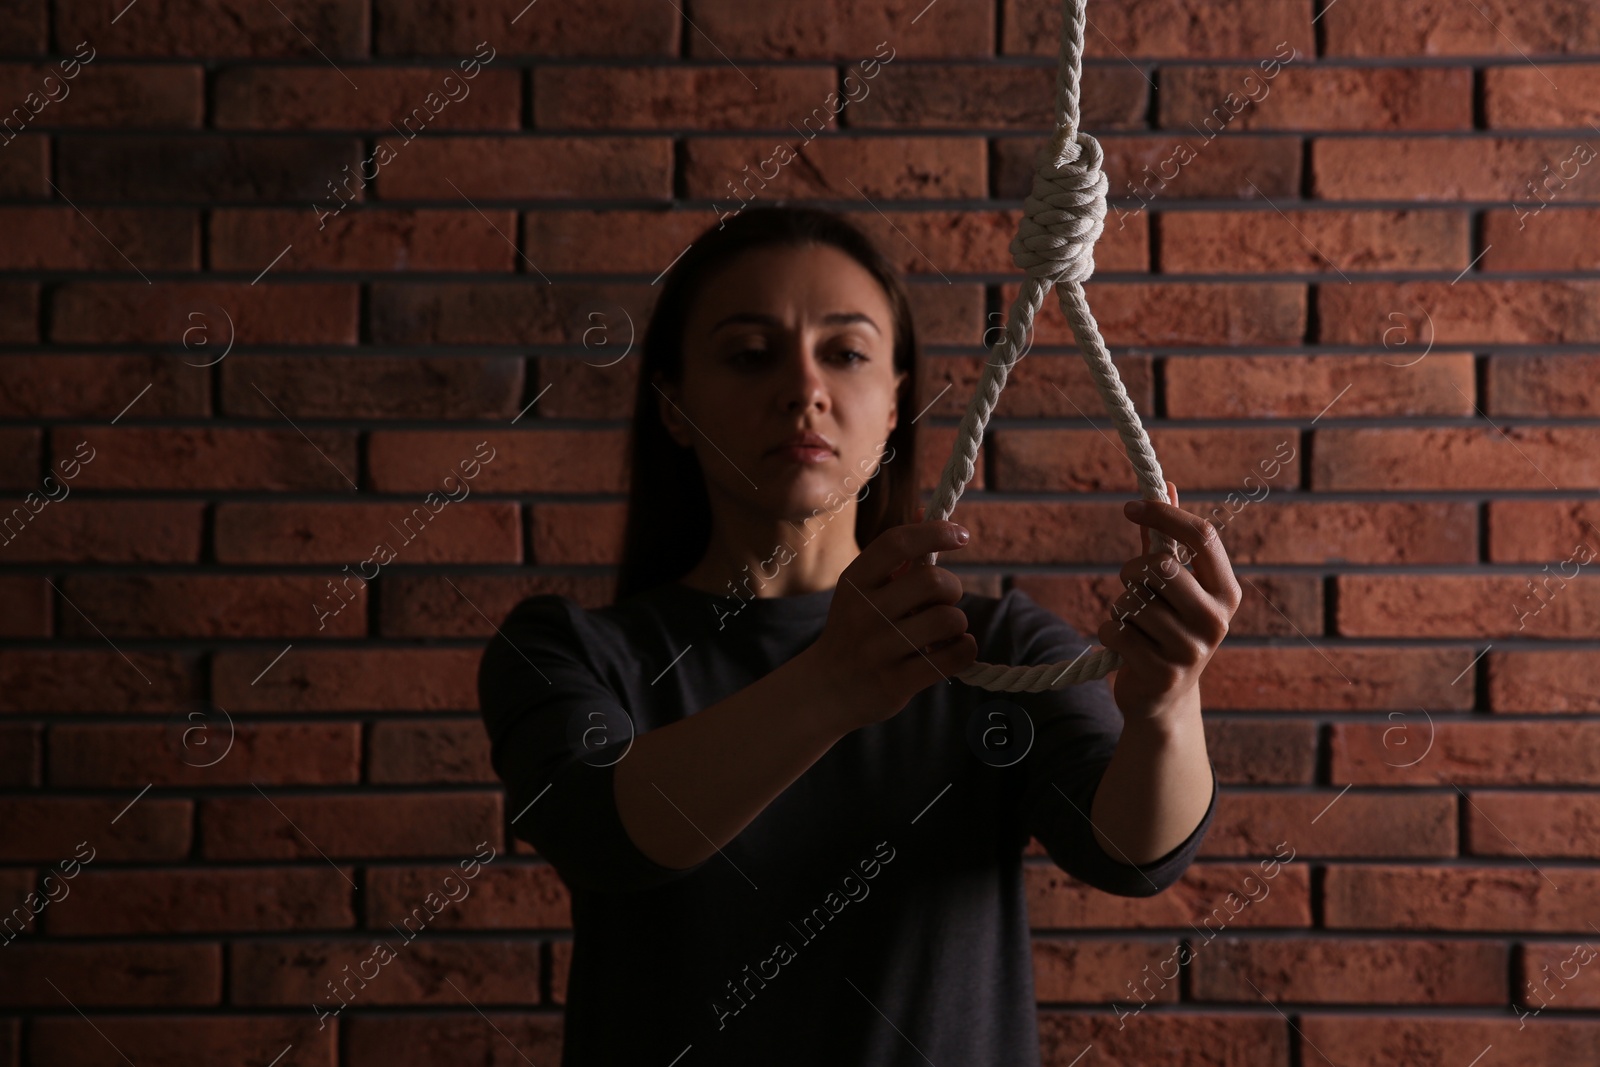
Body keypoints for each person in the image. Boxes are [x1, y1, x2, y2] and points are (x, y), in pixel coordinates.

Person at [476, 206, 1236, 1065]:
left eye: (845, 352)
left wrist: (1169, 707)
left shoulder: (995, 648)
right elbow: (603, 833)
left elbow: (1133, 853)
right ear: (675, 406)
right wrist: (832, 682)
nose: (804, 388)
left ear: (895, 405)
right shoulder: (564, 652)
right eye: (749, 353)